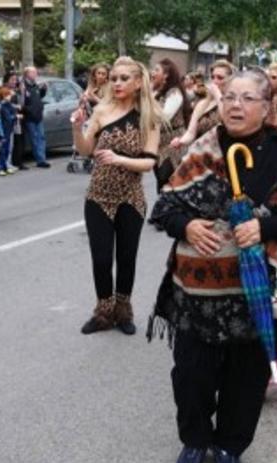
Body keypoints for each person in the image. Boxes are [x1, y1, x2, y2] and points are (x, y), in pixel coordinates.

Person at [148, 67, 277, 463]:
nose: (235, 104)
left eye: (248, 98)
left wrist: (267, 228)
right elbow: (165, 208)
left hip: (258, 297)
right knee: (191, 375)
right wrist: (188, 226)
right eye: (230, 96)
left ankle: (230, 444)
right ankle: (195, 440)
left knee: (246, 380)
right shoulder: (202, 149)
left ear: (267, 107)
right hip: (196, 295)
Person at [71, 56, 161, 336]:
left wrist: (119, 159)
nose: (118, 83)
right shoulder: (102, 110)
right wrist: (77, 127)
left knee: (126, 258)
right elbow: (86, 150)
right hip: (98, 195)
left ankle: (122, 310)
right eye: (114, 78)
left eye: (124, 78)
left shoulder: (149, 116)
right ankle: (103, 312)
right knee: (100, 258)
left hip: (130, 197)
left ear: (137, 83)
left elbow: (149, 162)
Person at [170, 60, 235, 150]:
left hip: (223, 152)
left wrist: (217, 94)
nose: (215, 81)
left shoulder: (234, 103)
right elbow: (191, 133)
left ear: (230, 80)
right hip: (201, 152)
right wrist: (181, 141)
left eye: (220, 78)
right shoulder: (203, 103)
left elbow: (228, 121)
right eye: (213, 77)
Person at [151, 58, 190, 191]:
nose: (152, 73)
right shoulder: (156, 92)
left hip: (173, 146)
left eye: (156, 70)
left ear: (166, 75)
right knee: (161, 182)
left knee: (168, 182)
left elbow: (165, 117)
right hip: (158, 146)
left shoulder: (174, 93)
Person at [20, 66, 50, 168]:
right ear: (27, 74)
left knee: (41, 137)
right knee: (35, 138)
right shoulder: (23, 86)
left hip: (38, 115)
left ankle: (42, 158)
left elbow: (38, 97)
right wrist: (28, 110)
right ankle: (40, 159)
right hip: (29, 116)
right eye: (33, 72)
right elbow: (23, 102)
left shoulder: (35, 85)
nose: (35, 74)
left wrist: (44, 90)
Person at [0, 85, 19, 176]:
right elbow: (8, 118)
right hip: (3, 131)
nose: (10, 96)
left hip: (8, 130)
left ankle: (5, 166)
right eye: (8, 95)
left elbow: (12, 112)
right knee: (2, 149)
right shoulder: (1, 106)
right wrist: (16, 116)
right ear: (4, 96)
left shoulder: (8, 104)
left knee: (6, 149)